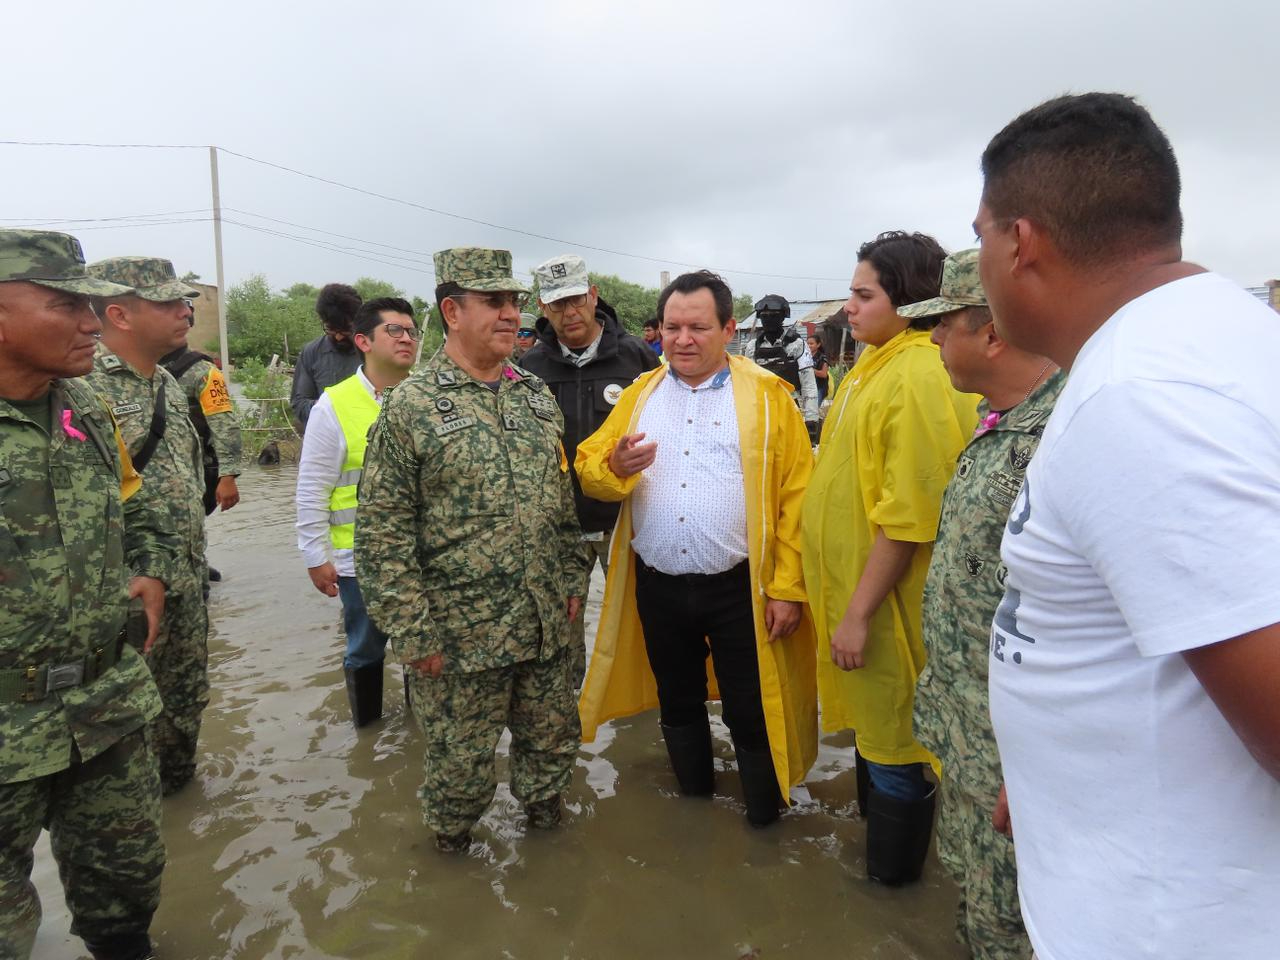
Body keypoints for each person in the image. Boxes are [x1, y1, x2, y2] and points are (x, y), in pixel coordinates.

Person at [978, 92, 1280, 960]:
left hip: (1170, 922)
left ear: (1021, 243)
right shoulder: (1212, 336)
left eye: (983, 233)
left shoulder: (1141, 400)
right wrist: (1049, 777)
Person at [356, 248, 588, 854]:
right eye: (495, 302)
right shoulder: (410, 406)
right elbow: (382, 534)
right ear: (453, 310)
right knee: (459, 773)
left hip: (543, 625)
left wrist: (571, 582)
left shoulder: (535, 397)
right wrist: (412, 633)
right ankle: (450, 868)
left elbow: (561, 506)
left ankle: (552, 862)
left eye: (515, 301)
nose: (512, 314)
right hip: (460, 640)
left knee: (553, 753)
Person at [575, 270, 818, 828]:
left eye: (698, 327)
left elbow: (796, 501)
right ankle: (695, 811)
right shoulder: (641, 394)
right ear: (658, 330)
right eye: (672, 327)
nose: (683, 339)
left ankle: (763, 820)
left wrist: (787, 589)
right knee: (677, 700)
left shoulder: (766, 396)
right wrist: (614, 468)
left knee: (751, 708)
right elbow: (589, 466)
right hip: (657, 583)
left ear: (729, 329)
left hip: (741, 587)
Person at [0, 229, 175, 960]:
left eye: (93, 306)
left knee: (126, 890)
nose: (89, 323)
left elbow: (133, 505)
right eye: (66, 305)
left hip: (104, 704)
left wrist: (151, 569)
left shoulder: (84, 407)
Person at [800, 231, 979, 884]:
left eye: (862, 293)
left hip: (888, 608)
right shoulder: (870, 367)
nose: (848, 306)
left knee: (901, 747)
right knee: (879, 739)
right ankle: (877, 873)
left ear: (905, 301)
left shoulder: (919, 375)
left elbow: (910, 515)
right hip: (861, 600)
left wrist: (857, 614)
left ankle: (892, 889)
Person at [906, 249, 1061, 959]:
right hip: (967, 734)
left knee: (1010, 927)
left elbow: (1079, 629)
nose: (934, 341)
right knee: (974, 899)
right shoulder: (1001, 423)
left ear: (991, 331)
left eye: (944, 326)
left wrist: (1037, 773)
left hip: (1017, 767)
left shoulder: (1059, 441)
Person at [85, 256, 210, 797]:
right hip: (127, 590)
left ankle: (182, 813)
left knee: (185, 704)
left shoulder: (167, 381)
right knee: (123, 726)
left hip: (185, 578)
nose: (185, 311)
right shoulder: (79, 386)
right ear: (120, 313)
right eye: (168, 303)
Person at [519, 254, 660, 686]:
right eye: (558, 304)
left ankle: (645, 716)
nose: (570, 312)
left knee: (643, 624)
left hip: (627, 520)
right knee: (561, 632)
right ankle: (571, 723)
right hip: (561, 525)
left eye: (577, 300)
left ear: (593, 295)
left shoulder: (636, 356)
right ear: (544, 307)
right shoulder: (529, 369)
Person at [296, 297, 418, 727]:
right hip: (359, 562)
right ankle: (367, 734)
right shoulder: (333, 405)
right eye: (395, 330)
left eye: (411, 331)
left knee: (421, 648)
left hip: (422, 558)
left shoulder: (426, 399)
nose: (407, 338)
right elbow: (312, 487)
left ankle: (415, 731)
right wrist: (315, 556)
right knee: (365, 648)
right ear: (363, 341)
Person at [159, 320, 243, 520]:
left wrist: (227, 476)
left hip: (190, 473)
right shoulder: (136, 366)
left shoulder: (203, 371)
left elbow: (224, 424)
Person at [741, 294, 819, 440]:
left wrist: (811, 419)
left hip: (790, 408)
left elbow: (808, 383)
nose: (768, 319)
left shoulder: (797, 345)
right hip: (761, 411)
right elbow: (747, 384)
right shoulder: (752, 347)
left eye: (774, 315)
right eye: (764, 315)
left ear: (783, 317)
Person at [290, 283, 364, 427]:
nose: (338, 337)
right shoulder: (311, 352)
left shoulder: (375, 351)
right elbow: (299, 404)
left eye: (345, 330)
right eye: (330, 329)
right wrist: (328, 407)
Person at [807, 334, 829, 404]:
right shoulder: (805, 356)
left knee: (814, 409)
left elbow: (824, 374)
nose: (809, 345)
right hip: (808, 387)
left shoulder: (822, 358)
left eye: (811, 343)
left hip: (819, 387)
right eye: (807, 343)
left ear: (818, 345)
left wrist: (809, 369)